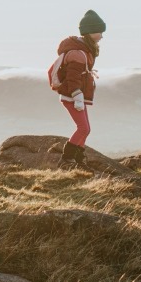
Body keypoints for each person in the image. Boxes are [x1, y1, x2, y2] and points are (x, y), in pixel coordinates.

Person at [54, 10, 105, 170]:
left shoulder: (86, 50)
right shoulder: (78, 53)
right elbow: (72, 77)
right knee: (84, 128)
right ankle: (66, 159)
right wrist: (77, 96)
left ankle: (79, 160)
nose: (102, 36)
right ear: (90, 32)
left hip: (77, 96)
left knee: (85, 129)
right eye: (99, 32)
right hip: (72, 97)